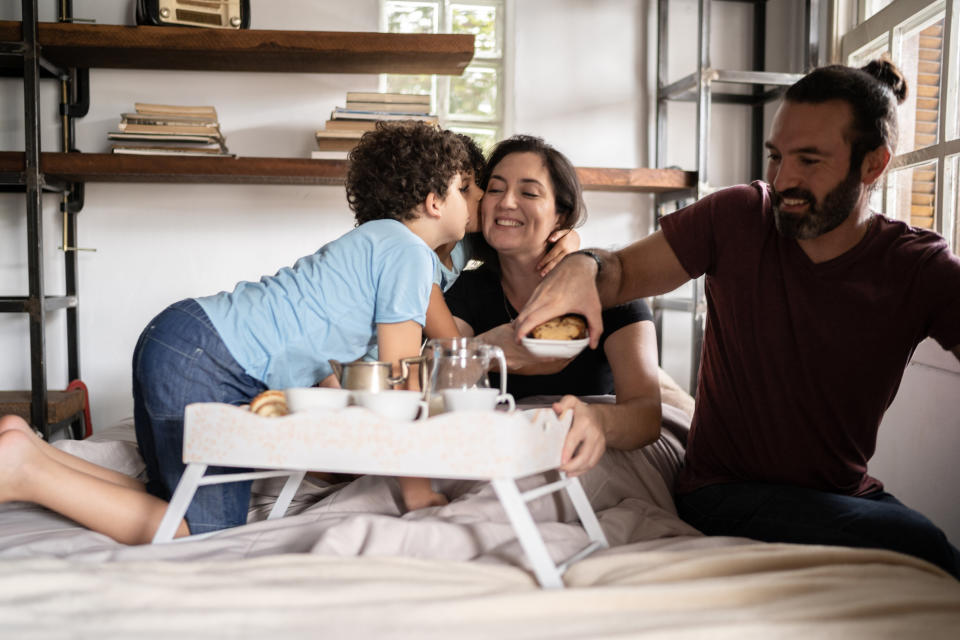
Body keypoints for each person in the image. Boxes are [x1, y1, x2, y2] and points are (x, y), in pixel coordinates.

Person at [513, 60, 960, 578]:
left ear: (873, 165)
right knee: (924, 546)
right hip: (723, 494)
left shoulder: (918, 266)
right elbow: (620, 271)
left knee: (936, 557)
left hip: (846, 495)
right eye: (777, 157)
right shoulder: (738, 217)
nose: (784, 178)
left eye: (810, 161)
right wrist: (584, 263)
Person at [0, 121, 473, 543]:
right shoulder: (411, 255)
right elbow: (394, 384)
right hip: (210, 362)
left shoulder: (374, 243)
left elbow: (333, 377)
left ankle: (30, 449)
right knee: (199, 533)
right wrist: (416, 492)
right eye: (464, 188)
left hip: (182, 335)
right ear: (434, 202)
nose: (471, 202)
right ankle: (22, 473)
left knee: (172, 494)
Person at [445, 135, 662, 477]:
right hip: (501, 452)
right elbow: (432, 379)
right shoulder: (465, 290)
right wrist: (485, 350)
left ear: (561, 216)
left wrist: (596, 420)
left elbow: (647, 416)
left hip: (588, 456)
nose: (506, 203)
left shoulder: (612, 294)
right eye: (496, 189)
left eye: (529, 193)